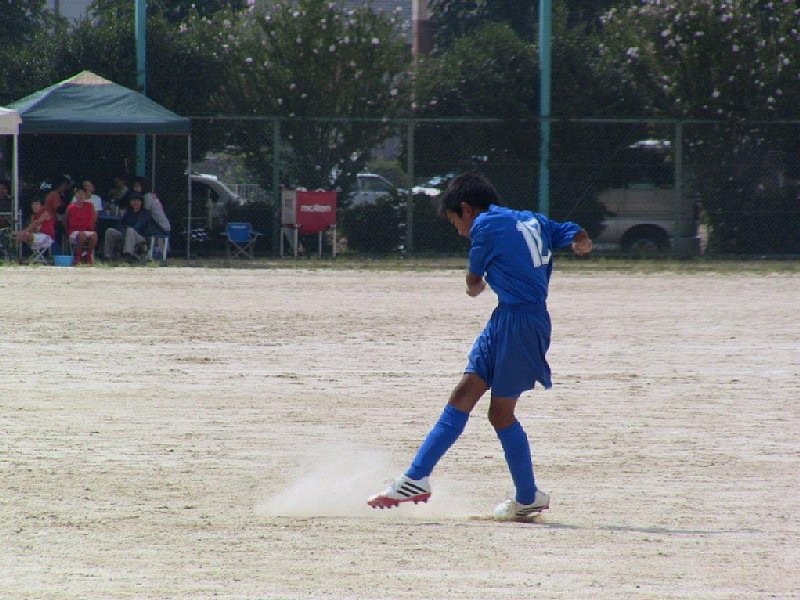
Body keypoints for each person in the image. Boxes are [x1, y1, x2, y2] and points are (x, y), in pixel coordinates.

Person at [367, 173, 593, 521]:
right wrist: (582, 242)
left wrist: (473, 286)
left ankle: (528, 496)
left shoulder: (485, 225)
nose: (459, 231)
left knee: (500, 414)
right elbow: (573, 231)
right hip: (506, 317)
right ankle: (415, 478)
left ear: (467, 209)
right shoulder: (529, 218)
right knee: (464, 392)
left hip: (523, 322)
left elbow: (474, 281)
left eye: (455, 221)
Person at [103, 193, 153, 262]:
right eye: (134, 201)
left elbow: (138, 227)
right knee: (110, 231)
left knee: (130, 230)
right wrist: (124, 231)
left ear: (141, 202)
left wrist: (127, 230)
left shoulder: (146, 213)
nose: (136, 203)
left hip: (140, 237)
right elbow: (119, 225)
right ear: (131, 202)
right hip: (126, 234)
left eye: (138, 201)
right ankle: (108, 255)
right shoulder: (129, 213)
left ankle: (128, 255)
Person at [65, 186, 98, 264]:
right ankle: (78, 256)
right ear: (75, 195)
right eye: (79, 193)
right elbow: (65, 220)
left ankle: (88, 256)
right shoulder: (70, 207)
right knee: (81, 235)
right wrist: (68, 231)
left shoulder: (90, 205)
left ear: (85, 196)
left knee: (94, 235)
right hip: (74, 231)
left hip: (87, 230)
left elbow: (93, 218)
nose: (81, 196)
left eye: (83, 194)